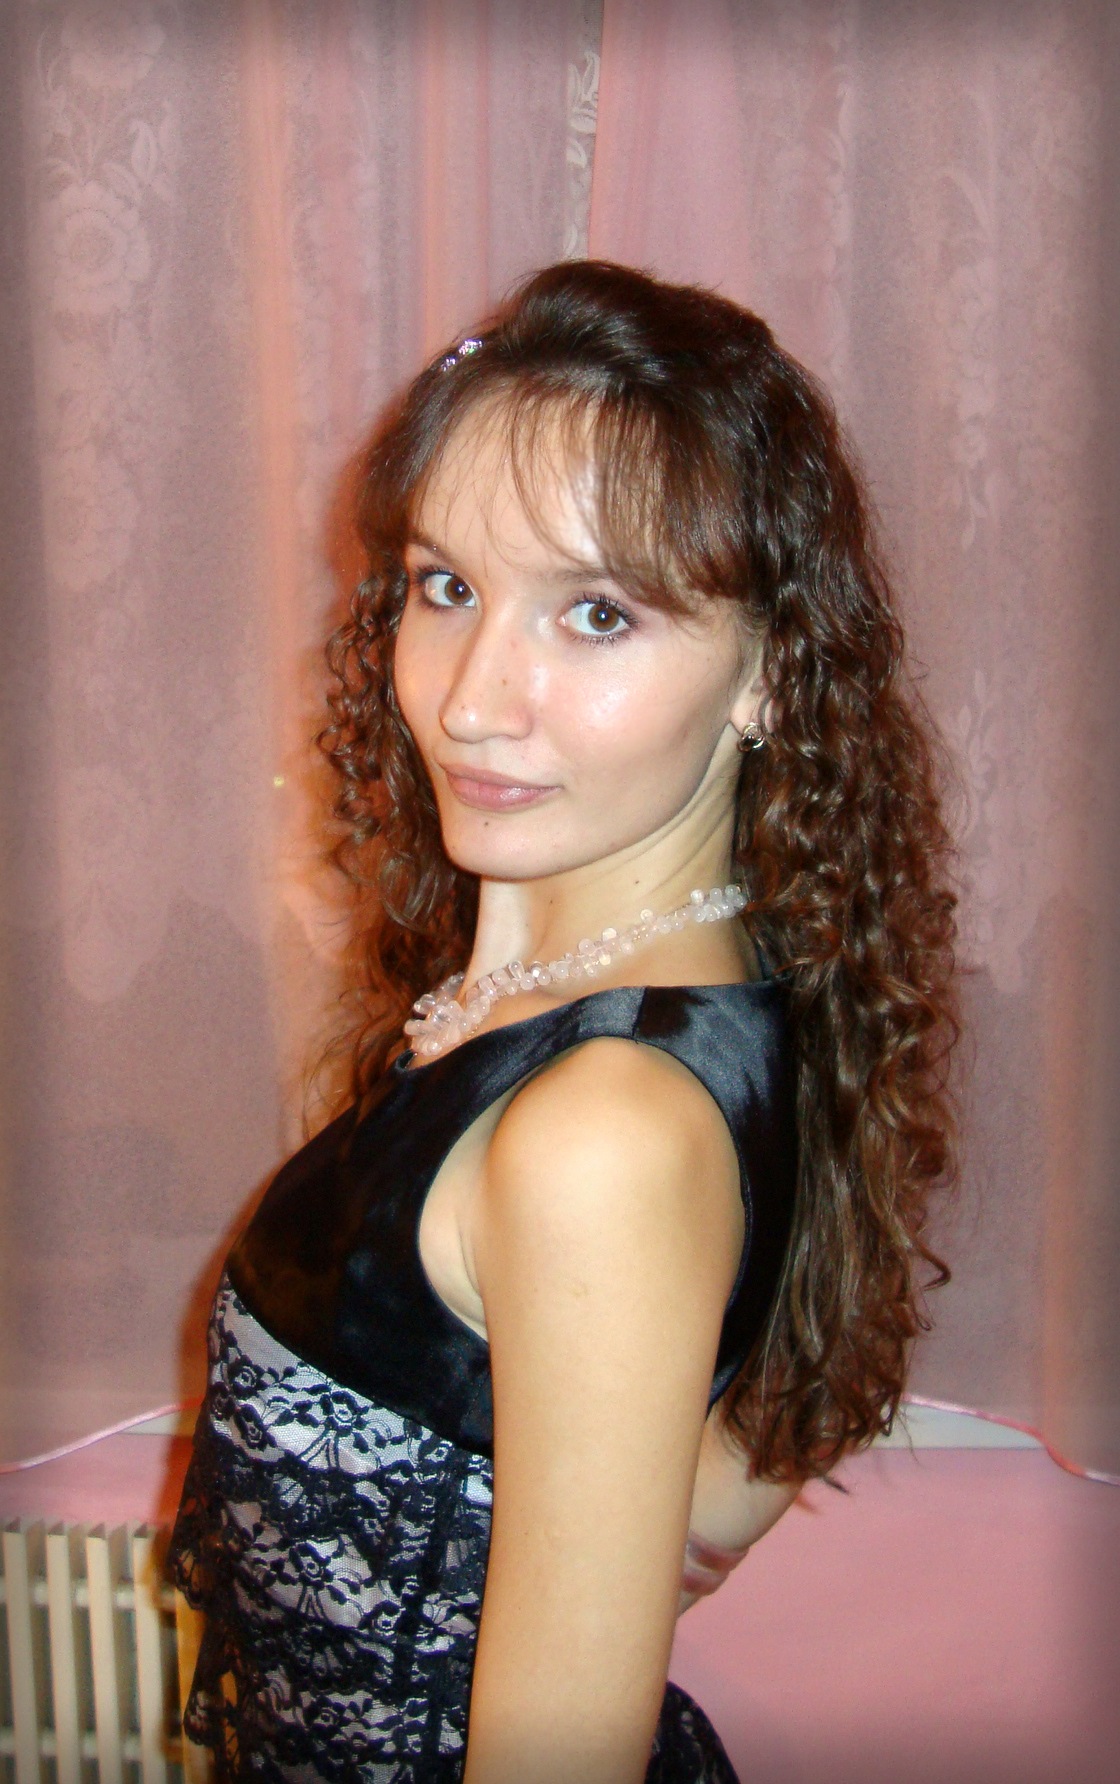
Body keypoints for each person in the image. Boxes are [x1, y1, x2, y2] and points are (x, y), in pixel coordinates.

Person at [167, 259, 957, 1782]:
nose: (471, 700)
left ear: (770, 673)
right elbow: (769, 1402)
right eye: (447, 587)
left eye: (597, 614)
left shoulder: (603, 1131)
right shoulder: (675, 1000)